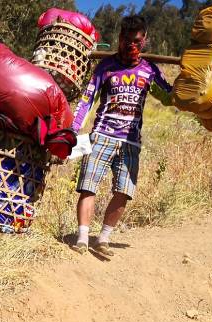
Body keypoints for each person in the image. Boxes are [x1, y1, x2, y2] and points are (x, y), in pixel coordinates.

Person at [71, 14, 171, 254]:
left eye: (136, 40)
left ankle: (103, 239)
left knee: (124, 192)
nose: (131, 45)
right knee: (88, 186)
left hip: (131, 142)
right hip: (102, 135)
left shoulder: (150, 71)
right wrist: (74, 130)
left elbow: (169, 97)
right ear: (119, 39)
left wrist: (191, 87)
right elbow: (87, 99)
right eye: (126, 40)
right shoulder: (105, 67)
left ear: (144, 40)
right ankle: (82, 239)